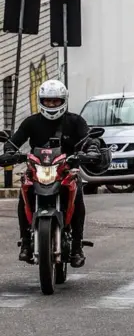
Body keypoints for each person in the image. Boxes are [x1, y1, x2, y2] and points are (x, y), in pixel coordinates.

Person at [1, 80, 95, 267]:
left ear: (64, 101)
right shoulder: (31, 122)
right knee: (25, 191)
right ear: (41, 101)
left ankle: (77, 247)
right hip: (38, 169)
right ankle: (26, 243)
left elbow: (87, 139)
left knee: (78, 195)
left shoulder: (75, 121)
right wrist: (10, 152)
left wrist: (91, 149)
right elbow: (14, 141)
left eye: (56, 101)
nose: (52, 105)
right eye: (48, 101)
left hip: (67, 169)